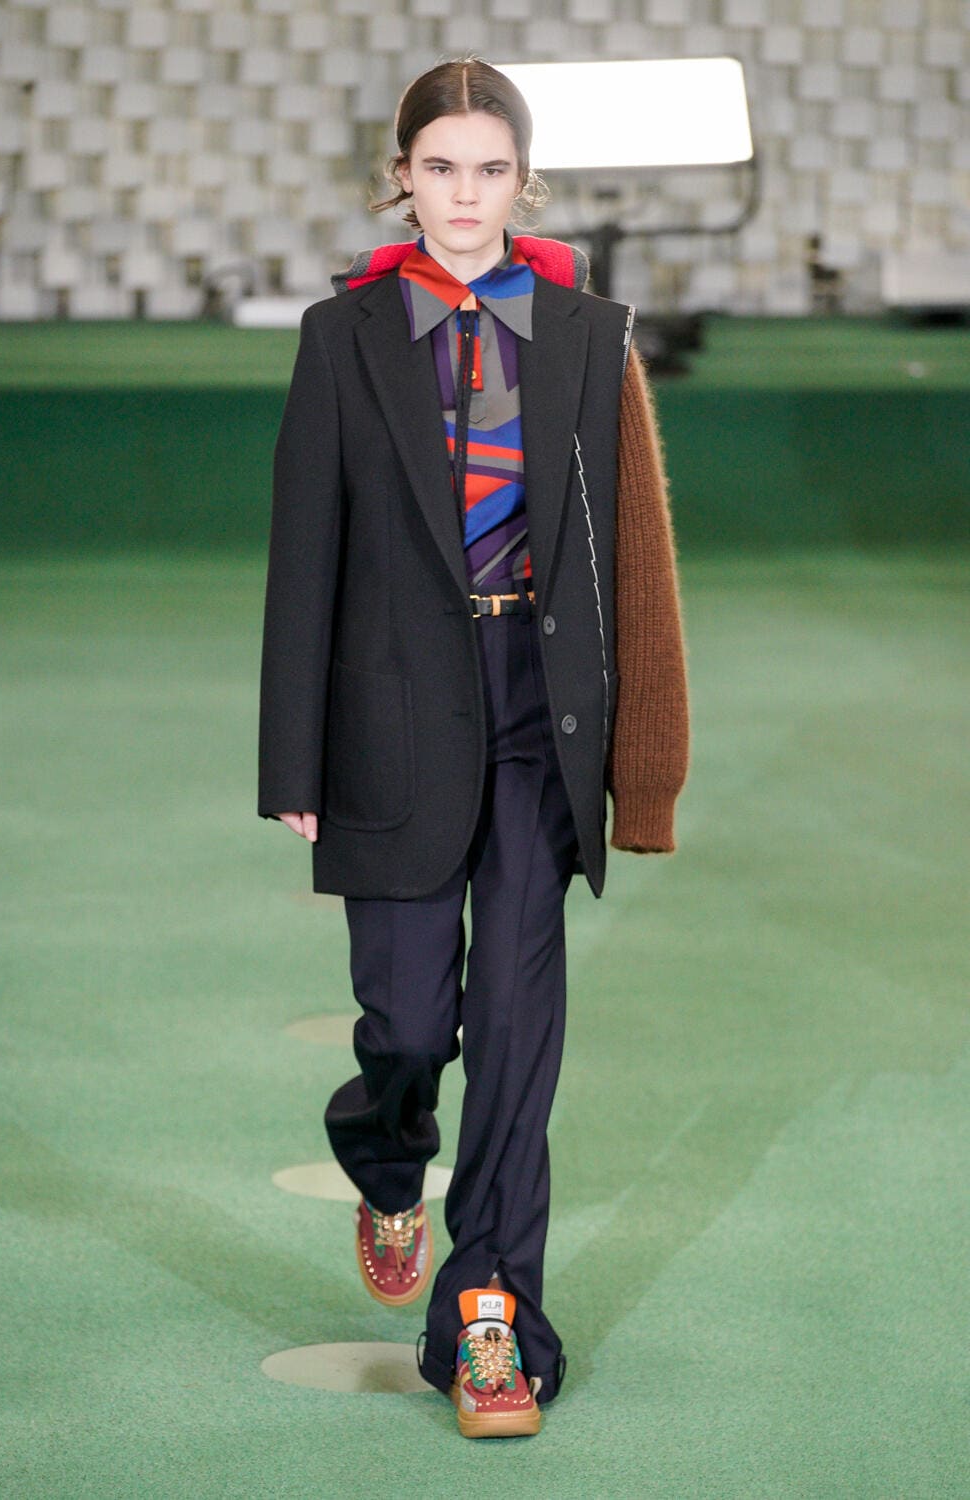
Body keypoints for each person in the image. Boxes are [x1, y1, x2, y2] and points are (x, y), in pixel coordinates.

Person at [258, 55, 690, 1439]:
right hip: (386, 717)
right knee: (407, 1024)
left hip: (533, 717)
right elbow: (305, 552)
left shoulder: (585, 333)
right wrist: (293, 762)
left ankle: (492, 1320)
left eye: (489, 170)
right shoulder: (344, 335)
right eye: (440, 168)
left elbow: (634, 555)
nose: (464, 194)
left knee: (513, 1036)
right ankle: (389, 1159)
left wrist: (641, 761)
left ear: (523, 181)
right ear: (403, 177)